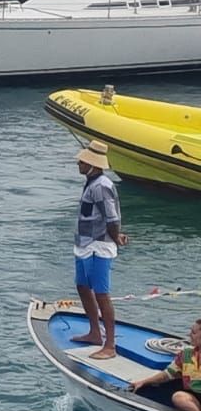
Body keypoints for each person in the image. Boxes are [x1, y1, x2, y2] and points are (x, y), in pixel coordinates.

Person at [73, 140, 130, 360]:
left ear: (93, 164)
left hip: (99, 245)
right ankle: (95, 333)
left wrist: (115, 237)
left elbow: (112, 217)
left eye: (83, 160)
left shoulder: (101, 186)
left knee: (101, 293)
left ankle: (110, 344)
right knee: (82, 286)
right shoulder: (91, 182)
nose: (79, 162)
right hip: (84, 244)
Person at [127, 319, 201, 411]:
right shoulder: (186, 353)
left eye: (194, 333)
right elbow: (168, 374)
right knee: (179, 398)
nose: (189, 335)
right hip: (194, 395)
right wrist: (143, 382)